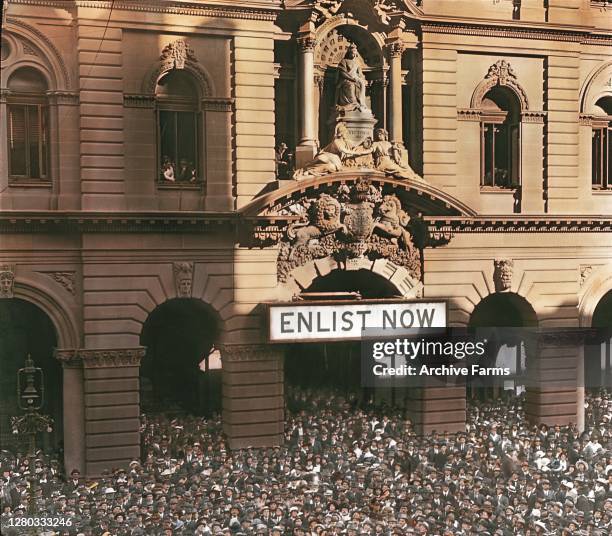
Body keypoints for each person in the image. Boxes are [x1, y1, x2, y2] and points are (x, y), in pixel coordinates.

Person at [293, 123, 371, 180]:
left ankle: (310, 172)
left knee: (331, 167)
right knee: (327, 163)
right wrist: (359, 153)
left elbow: (354, 146)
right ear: (342, 133)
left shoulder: (345, 141)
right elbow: (345, 151)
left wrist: (364, 145)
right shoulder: (336, 141)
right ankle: (308, 170)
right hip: (329, 157)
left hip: (335, 160)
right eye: (345, 132)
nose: (347, 134)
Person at [335, 44, 368, 113]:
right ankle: (352, 104)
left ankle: (361, 103)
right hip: (346, 80)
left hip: (355, 78)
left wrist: (363, 79)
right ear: (349, 53)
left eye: (355, 53)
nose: (353, 55)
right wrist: (351, 79)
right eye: (352, 53)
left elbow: (360, 73)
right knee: (351, 85)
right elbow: (342, 73)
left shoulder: (357, 62)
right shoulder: (344, 61)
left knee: (362, 83)